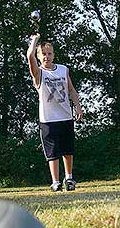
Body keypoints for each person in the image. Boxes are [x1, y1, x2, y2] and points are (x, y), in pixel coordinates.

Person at [27, 34, 83, 192]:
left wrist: (78, 106)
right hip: (48, 119)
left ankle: (69, 178)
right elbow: (29, 55)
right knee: (52, 153)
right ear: (39, 57)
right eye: (43, 54)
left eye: (49, 53)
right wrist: (34, 41)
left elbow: (71, 89)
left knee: (67, 149)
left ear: (54, 55)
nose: (47, 56)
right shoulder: (39, 74)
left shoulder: (63, 70)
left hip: (65, 116)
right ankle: (55, 181)